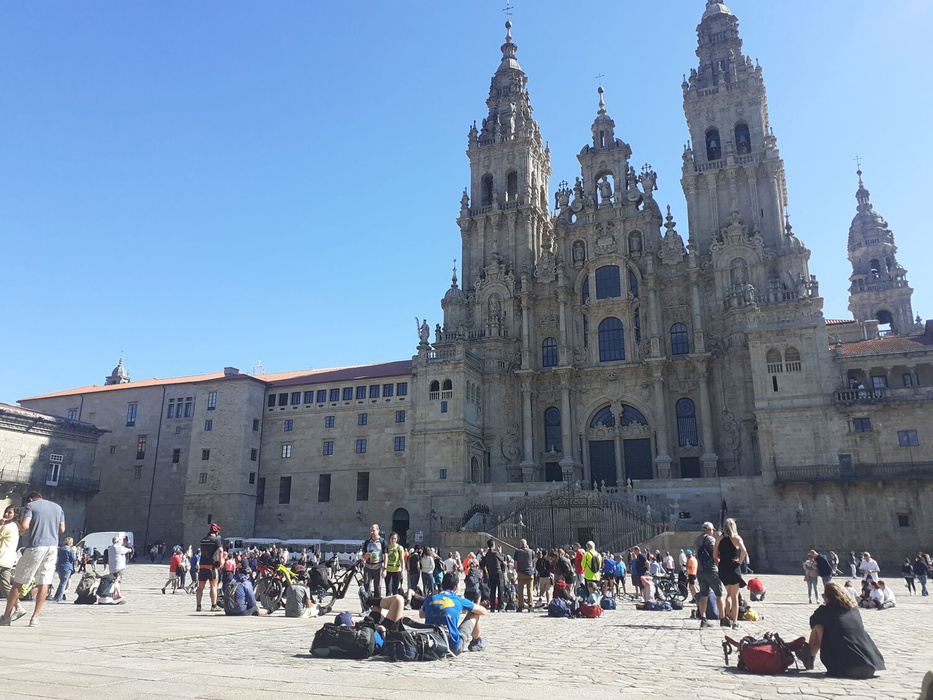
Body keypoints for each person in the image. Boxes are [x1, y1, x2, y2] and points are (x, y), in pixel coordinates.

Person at [1, 491, 65, 627]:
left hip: (36, 546)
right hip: (53, 547)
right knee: (45, 582)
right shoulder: (58, 507)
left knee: (19, 581)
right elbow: (62, 529)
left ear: (30, 499)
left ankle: (6, 617)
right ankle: (35, 618)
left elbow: (25, 526)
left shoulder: (31, 506)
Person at [799, 581, 885, 678]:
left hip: (846, 667)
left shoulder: (826, 610)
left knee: (818, 627)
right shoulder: (854, 610)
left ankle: (810, 657)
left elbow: (813, 622)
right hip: (869, 665)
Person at [420, 572, 486, 653]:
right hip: (452, 645)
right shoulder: (458, 600)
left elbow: (421, 614)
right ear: (456, 587)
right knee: (475, 613)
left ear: (441, 585)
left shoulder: (431, 598)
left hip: (432, 643)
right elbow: (483, 611)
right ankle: (477, 641)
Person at [716, 518, 747, 629]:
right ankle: (734, 622)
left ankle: (726, 617)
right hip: (733, 568)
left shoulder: (719, 539)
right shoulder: (737, 539)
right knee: (734, 597)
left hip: (723, 568)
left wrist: (719, 564)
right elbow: (744, 551)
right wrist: (739, 561)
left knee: (728, 594)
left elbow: (715, 555)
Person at [695, 522, 725, 628]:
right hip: (711, 570)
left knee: (704, 595)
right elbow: (715, 554)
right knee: (719, 594)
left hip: (700, 570)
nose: (713, 531)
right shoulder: (710, 539)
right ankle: (722, 618)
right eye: (712, 529)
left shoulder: (697, 539)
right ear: (709, 530)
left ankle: (703, 618)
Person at [0, 506, 25, 620]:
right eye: (6, 512)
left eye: (10, 513)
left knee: (5, 586)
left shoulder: (8, 527)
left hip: (2, 559)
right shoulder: (15, 527)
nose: (6, 514)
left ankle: (18, 607)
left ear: (15, 515)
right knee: (5, 586)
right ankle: (18, 606)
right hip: (7, 560)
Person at [196, 523, 224, 612]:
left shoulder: (203, 540)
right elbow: (220, 550)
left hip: (202, 565)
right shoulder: (216, 540)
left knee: (200, 587)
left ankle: (198, 606)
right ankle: (213, 606)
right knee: (213, 586)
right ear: (217, 532)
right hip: (212, 566)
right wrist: (221, 560)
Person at [361, 523, 387, 598]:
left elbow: (385, 555)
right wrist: (365, 556)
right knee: (366, 586)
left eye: (373, 530)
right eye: (371, 531)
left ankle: (377, 607)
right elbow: (363, 555)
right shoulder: (367, 542)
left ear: (378, 530)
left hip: (378, 567)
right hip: (368, 567)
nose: (372, 532)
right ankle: (366, 606)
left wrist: (385, 569)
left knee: (377, 588)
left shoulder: (382, 542)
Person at [480, 541, 504, 612]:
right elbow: (502, 559)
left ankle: (492, 607)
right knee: (500, 589)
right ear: (493, 545)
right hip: (498, 572)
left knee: (492, 590)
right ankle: (500, 606)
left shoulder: (487, 554)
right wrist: (500, 552)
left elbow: (482, 564)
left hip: (491, 572)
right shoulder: (495, 553)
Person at [513, 538, 535, 612]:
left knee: (520, 590)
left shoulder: (517, 552)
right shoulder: (531, 551)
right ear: (526, 544)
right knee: (530, 589)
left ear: (520, 544)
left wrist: (516, 570)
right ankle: (530, 605)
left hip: (521, 572)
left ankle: (521, 605)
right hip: (529, 572)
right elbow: (533, 561)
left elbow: (515, 563)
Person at [52, 537, 76, 602]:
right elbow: (73, 559)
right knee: (63, 583)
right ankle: (60, 598)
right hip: (67, 567)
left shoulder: (60, 549)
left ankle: (56, 596)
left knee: (61, 582)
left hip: (60, 567)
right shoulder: (70, 550)